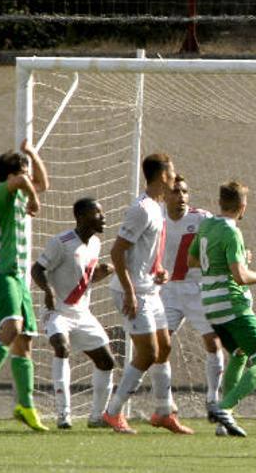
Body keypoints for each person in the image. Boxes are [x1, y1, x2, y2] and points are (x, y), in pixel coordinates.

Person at [102, 153, 193, 434]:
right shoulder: (141, 208)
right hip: (132, 292)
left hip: (150, 289)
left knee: (164, 347)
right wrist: (129, 292)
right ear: (163, 175)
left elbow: (146, 252)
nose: (175, 176)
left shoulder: (157, 207)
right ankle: (113, 412)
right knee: (148, 351)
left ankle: (164, 412)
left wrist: (160, 270)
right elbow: (117, 252)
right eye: (172, 172)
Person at [188, 181, 256, 438]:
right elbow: (240, 277)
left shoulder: (207, 226)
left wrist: (233, 261)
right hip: (232, 304)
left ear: (220, 202)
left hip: (211, 305)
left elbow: (192, 260)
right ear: (243, 206)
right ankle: (223, 408)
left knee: (238, 354)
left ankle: (222, 423)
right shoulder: (231, 232)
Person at [0, 138, 49, 431]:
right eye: (24, 172)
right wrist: (32, 197)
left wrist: (31, 153)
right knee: (13, 325)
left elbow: (42, 182)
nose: (30, 179)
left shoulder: (19, 195)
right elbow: (24, 182)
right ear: (11, 175)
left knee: (24, 340)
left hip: (17, 275)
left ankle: (26, 406)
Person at [31, 198, 116, 429]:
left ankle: (97, 417)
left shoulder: (96, 243)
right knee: (62, 347)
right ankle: (63, 415)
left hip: (81, 313)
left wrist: (101, 272)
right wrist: (47, 290)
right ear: (80, 217)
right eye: (97, 213)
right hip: (57, 311)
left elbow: (84, 278)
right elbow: (37, 269)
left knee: (107, 361)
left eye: (102, 212)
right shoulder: (62, 242)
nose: (103, 217)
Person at [160, 175, 225, 418]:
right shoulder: (157, 218)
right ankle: (165, 403)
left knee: (212, 340)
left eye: (185, 192)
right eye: (176, 192)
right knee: (160, 345)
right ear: (165, 196)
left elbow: (223, 239)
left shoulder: (201, 218)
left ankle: (212, 399)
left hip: (197, 289)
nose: (182, 197)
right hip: (167, 291)